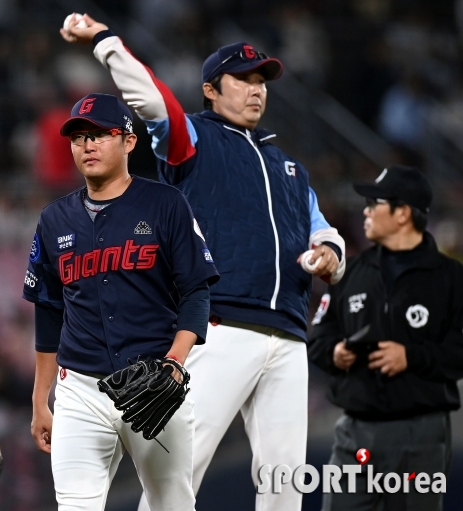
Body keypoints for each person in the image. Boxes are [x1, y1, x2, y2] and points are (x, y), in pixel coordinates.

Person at [61, 14, 346, 511]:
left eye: (262, 81)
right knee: (176, 475)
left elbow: (324, 230)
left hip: (289, 333)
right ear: (211, 90)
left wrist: (331, 256)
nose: (256, 90)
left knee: (285, 484)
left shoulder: (289, 167)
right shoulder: (191, 138)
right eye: (244, 79)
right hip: (220, 325)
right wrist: (105, 42)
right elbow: (149, 99)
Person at [23, 93, 219, 511]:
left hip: (153, 380)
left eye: (100, 135)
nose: (87, 145)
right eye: (79, 137)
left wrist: (175, 362)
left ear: (129, 141)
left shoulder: (166, 204)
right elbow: (48, 311)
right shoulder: (53, 219)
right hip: (79, 390)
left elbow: (197, 291)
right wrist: (41, 400)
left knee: (173, 505)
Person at [308, 165, 463, 511]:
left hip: (420, 434)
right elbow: (318, 337)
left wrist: (411, 356)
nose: (365, 210)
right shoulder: (351, 273)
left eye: (374, 203)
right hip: (355, 432)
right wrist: (335, 352)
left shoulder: (450, 278)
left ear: (402, 213)